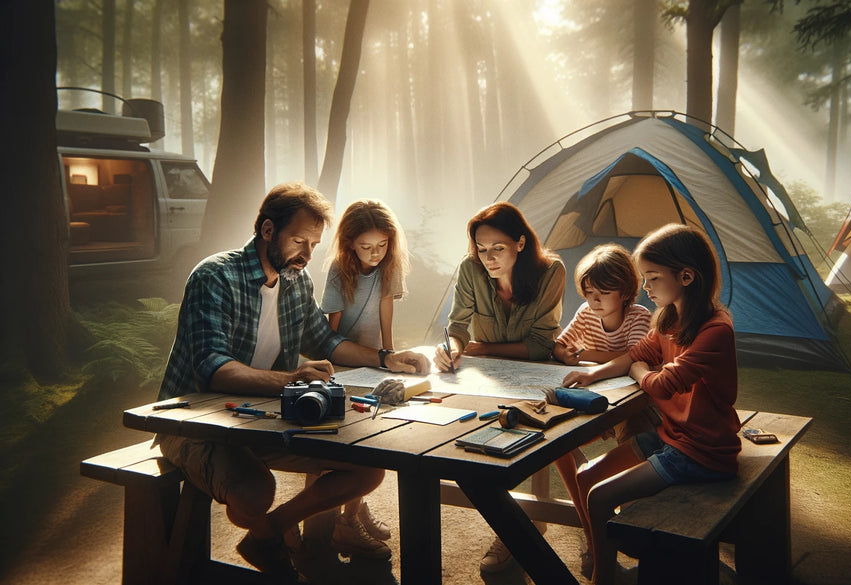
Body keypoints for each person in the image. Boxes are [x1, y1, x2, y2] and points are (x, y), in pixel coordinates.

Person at [157, 181, 430, 583]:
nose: (307, 254)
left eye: (315, 244)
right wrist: (292, 380)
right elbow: (213, 368)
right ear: (268, 231)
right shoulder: (214, 276)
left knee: (368, 469)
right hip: (194, 422)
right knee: (254, 491)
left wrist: (388, 359)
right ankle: (288, 544)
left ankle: (268, 536)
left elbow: (327, 341)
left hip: (263, 418)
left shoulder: (296, 281)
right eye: (299, 240)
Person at [561, 224, 742, 585]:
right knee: (585, 477)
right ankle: (607, 565)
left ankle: (602, 576)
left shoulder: (715, 330)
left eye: (653, 278)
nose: (645, 287)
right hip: (671, 436)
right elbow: (635, 354)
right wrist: (593, 375)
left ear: (687, 276)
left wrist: (639, 369)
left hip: (701, 453)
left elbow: (662, 383)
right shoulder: (670, 317)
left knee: (598, 498)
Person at [432, 201, 565, 573]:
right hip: (485, 377)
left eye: (498, 248)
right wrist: (452, 350)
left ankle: (515, 531)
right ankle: (515, 525)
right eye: (481, 248)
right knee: (459, 441)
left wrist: (482, 348)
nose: (488, 257)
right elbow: (458, 327)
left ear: (520, 243)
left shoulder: (550, 271)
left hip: (535, 379)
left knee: (520, 446)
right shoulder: (470, 270)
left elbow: (541, 344)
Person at [549, 243, 653, 578]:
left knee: (628, 472)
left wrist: (585, 355)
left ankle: (625, 541)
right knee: (555, 442)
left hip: (635, 408)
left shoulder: (639, 316)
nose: (594, 302)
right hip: (595, 401)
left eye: (603, 293)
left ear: (625, 293)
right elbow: (562, 346)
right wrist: (566, 354)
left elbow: (633, 353)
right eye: (589, 292)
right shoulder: (585, 313)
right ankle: (593, 537)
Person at [316, 198, 411, 559]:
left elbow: (387, 306)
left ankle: (354, 510)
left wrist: (389, 354)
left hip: (376, 358)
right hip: (345, 360)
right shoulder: (340, 269)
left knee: (373, 438)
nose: (375, 254)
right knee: (350, 441)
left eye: (382, 245)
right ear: (350, 244)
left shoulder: (390, 264)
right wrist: (333, 366)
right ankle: (347, 520)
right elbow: (333, 326)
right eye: (366, 247)